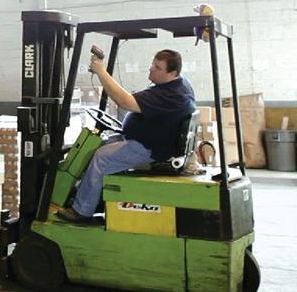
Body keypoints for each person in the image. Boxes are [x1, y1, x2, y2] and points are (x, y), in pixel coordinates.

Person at [57, 49, 196, 222]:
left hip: (149, 148)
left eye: (158, 67)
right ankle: (90, 198)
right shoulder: (177, 85)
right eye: (153, 64)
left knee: (102, 157)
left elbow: (124, 101)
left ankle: (82, 211)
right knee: (95, 147)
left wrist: (101, 71)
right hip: (147, 140)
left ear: (172, 73)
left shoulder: (170, 95)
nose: (151, 69)